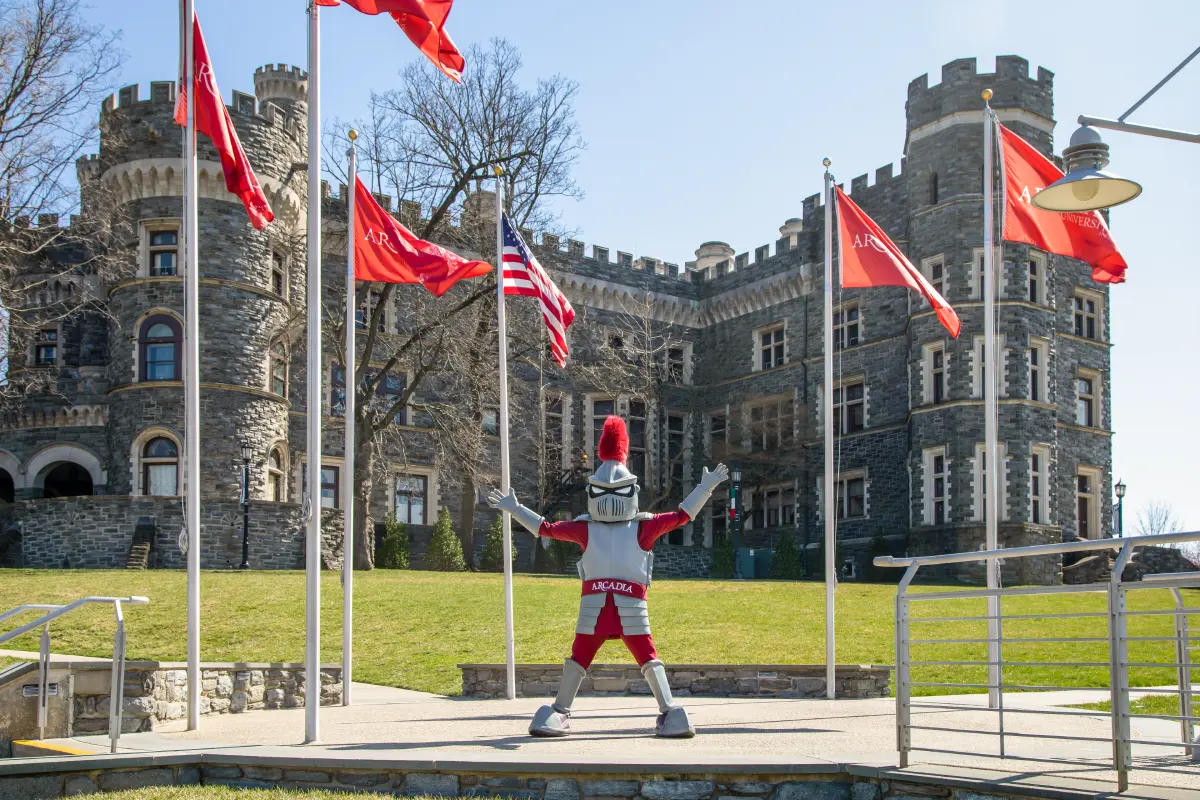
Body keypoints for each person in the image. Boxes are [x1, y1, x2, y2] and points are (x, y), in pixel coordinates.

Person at [488, 415, 728, 738]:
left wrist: (706, 486)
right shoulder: (632, 526)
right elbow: (682, 515)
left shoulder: (604, 527)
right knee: (603, 657)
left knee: (623, 657)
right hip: (610, 610)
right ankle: (575, 712)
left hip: (608, 609)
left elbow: (546, 527)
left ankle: (572, 711)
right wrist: (704, 486)